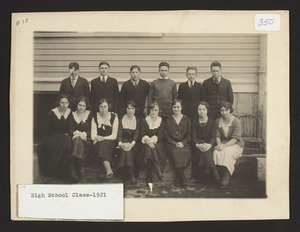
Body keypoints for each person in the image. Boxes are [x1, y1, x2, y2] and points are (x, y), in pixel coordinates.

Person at [37, 94, 75, 182]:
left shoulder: (69, 112)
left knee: (67, 139)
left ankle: (64, 170)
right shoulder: (52, 113)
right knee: (66, 140)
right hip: (52, 137)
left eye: (66, 103)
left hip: (64, 137)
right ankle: (66, 169)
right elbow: (47, 131)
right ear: (58, 103)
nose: (64, 105)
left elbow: (70, 128)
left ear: (68, 103)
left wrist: (72, 134)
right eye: (62, 103)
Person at [213, 101, 244, 189]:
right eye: (222, 110)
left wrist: (224, 146)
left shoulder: (235, 121)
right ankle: (218, 175)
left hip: (235, 144)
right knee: (216, 152)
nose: (224, 113)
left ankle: (226, 176)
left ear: (230, 110)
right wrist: (219, 145)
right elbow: (217, 135)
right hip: (222, 143)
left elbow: (235, 138)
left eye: (226, 110)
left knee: (227, 152)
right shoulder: (218, 121)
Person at [137, 102, 166, 191]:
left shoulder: (161, 122)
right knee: (148, 148)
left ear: (158, 111)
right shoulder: (144, 121)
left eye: (156, 110)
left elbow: (160, 136)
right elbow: (142, 134)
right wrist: (148, 141)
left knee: (149, 150)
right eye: (152, 110)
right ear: (149, 111)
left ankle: (149, 178)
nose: (153, 112)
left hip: (158, 145)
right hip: (146, 144)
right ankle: (158, 170)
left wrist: (152, 142)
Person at [165, 99, 191, 189]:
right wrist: (174, 143)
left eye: (178, 107)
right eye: (174, 107)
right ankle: (183, 178)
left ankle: (177, 177)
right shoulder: (168, 120)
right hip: (172, 144)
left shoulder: (186, 119)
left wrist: (183, 143)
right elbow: (166, 135)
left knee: (185, 152)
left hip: (184, 144)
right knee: (176, 153)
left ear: (181, 107)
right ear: (172, 108)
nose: (176, 109)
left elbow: (189, 134)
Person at [91, 98, 119, 179]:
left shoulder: (114, 117)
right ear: (98, 107)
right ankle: (108, 169)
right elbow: (93, 135)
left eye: (105, 107)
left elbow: (114, 136)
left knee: (102, 144)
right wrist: (96, 138)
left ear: (108, 107)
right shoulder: (95, 118)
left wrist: (101, 138)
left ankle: (103, 169)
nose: (103, 109)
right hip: (99, 142)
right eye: (101, 107)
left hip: (110, 141)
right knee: (100, 145)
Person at [191, 101, 218, 184]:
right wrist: (198, 145)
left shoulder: (212, 121)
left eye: (204, 109)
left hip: (209, 144)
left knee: (206, 152)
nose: (201, 111)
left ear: (207, 111)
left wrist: (209, 145)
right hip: (198, 145)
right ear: (197, 110)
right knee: (204, 153)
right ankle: (215, 175)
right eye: (199, 109)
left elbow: (213, 136)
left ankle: (201, 176)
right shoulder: (194, 122)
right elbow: (193, 137)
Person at [68, 96, 92, 180]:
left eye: (83, 106)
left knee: (79, 140)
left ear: (86, 106)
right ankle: (81, 167)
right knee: (77, 140)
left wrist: (84, 134)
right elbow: (70, 130)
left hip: (87, 138)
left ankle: (73, 167)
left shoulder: (89, 114)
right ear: (76, 105)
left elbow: (91, 130)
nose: (81, 108)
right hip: (75, 137)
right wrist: (78, 134)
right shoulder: (72, 114)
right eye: (80, 105)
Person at [116, 101, 140, 185]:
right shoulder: (121, 119)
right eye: (129, 108)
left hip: (133, 143)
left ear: (135, 110)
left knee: (129, 151)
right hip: (123, 142)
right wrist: (121, 143)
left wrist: (131, 144)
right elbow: (119, 133)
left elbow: (136, 134)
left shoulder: (137, 120)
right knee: (125, 151)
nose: (130, 111)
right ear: (126, 109)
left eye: (132, 108)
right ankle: (131, 174)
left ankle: (128, 172)